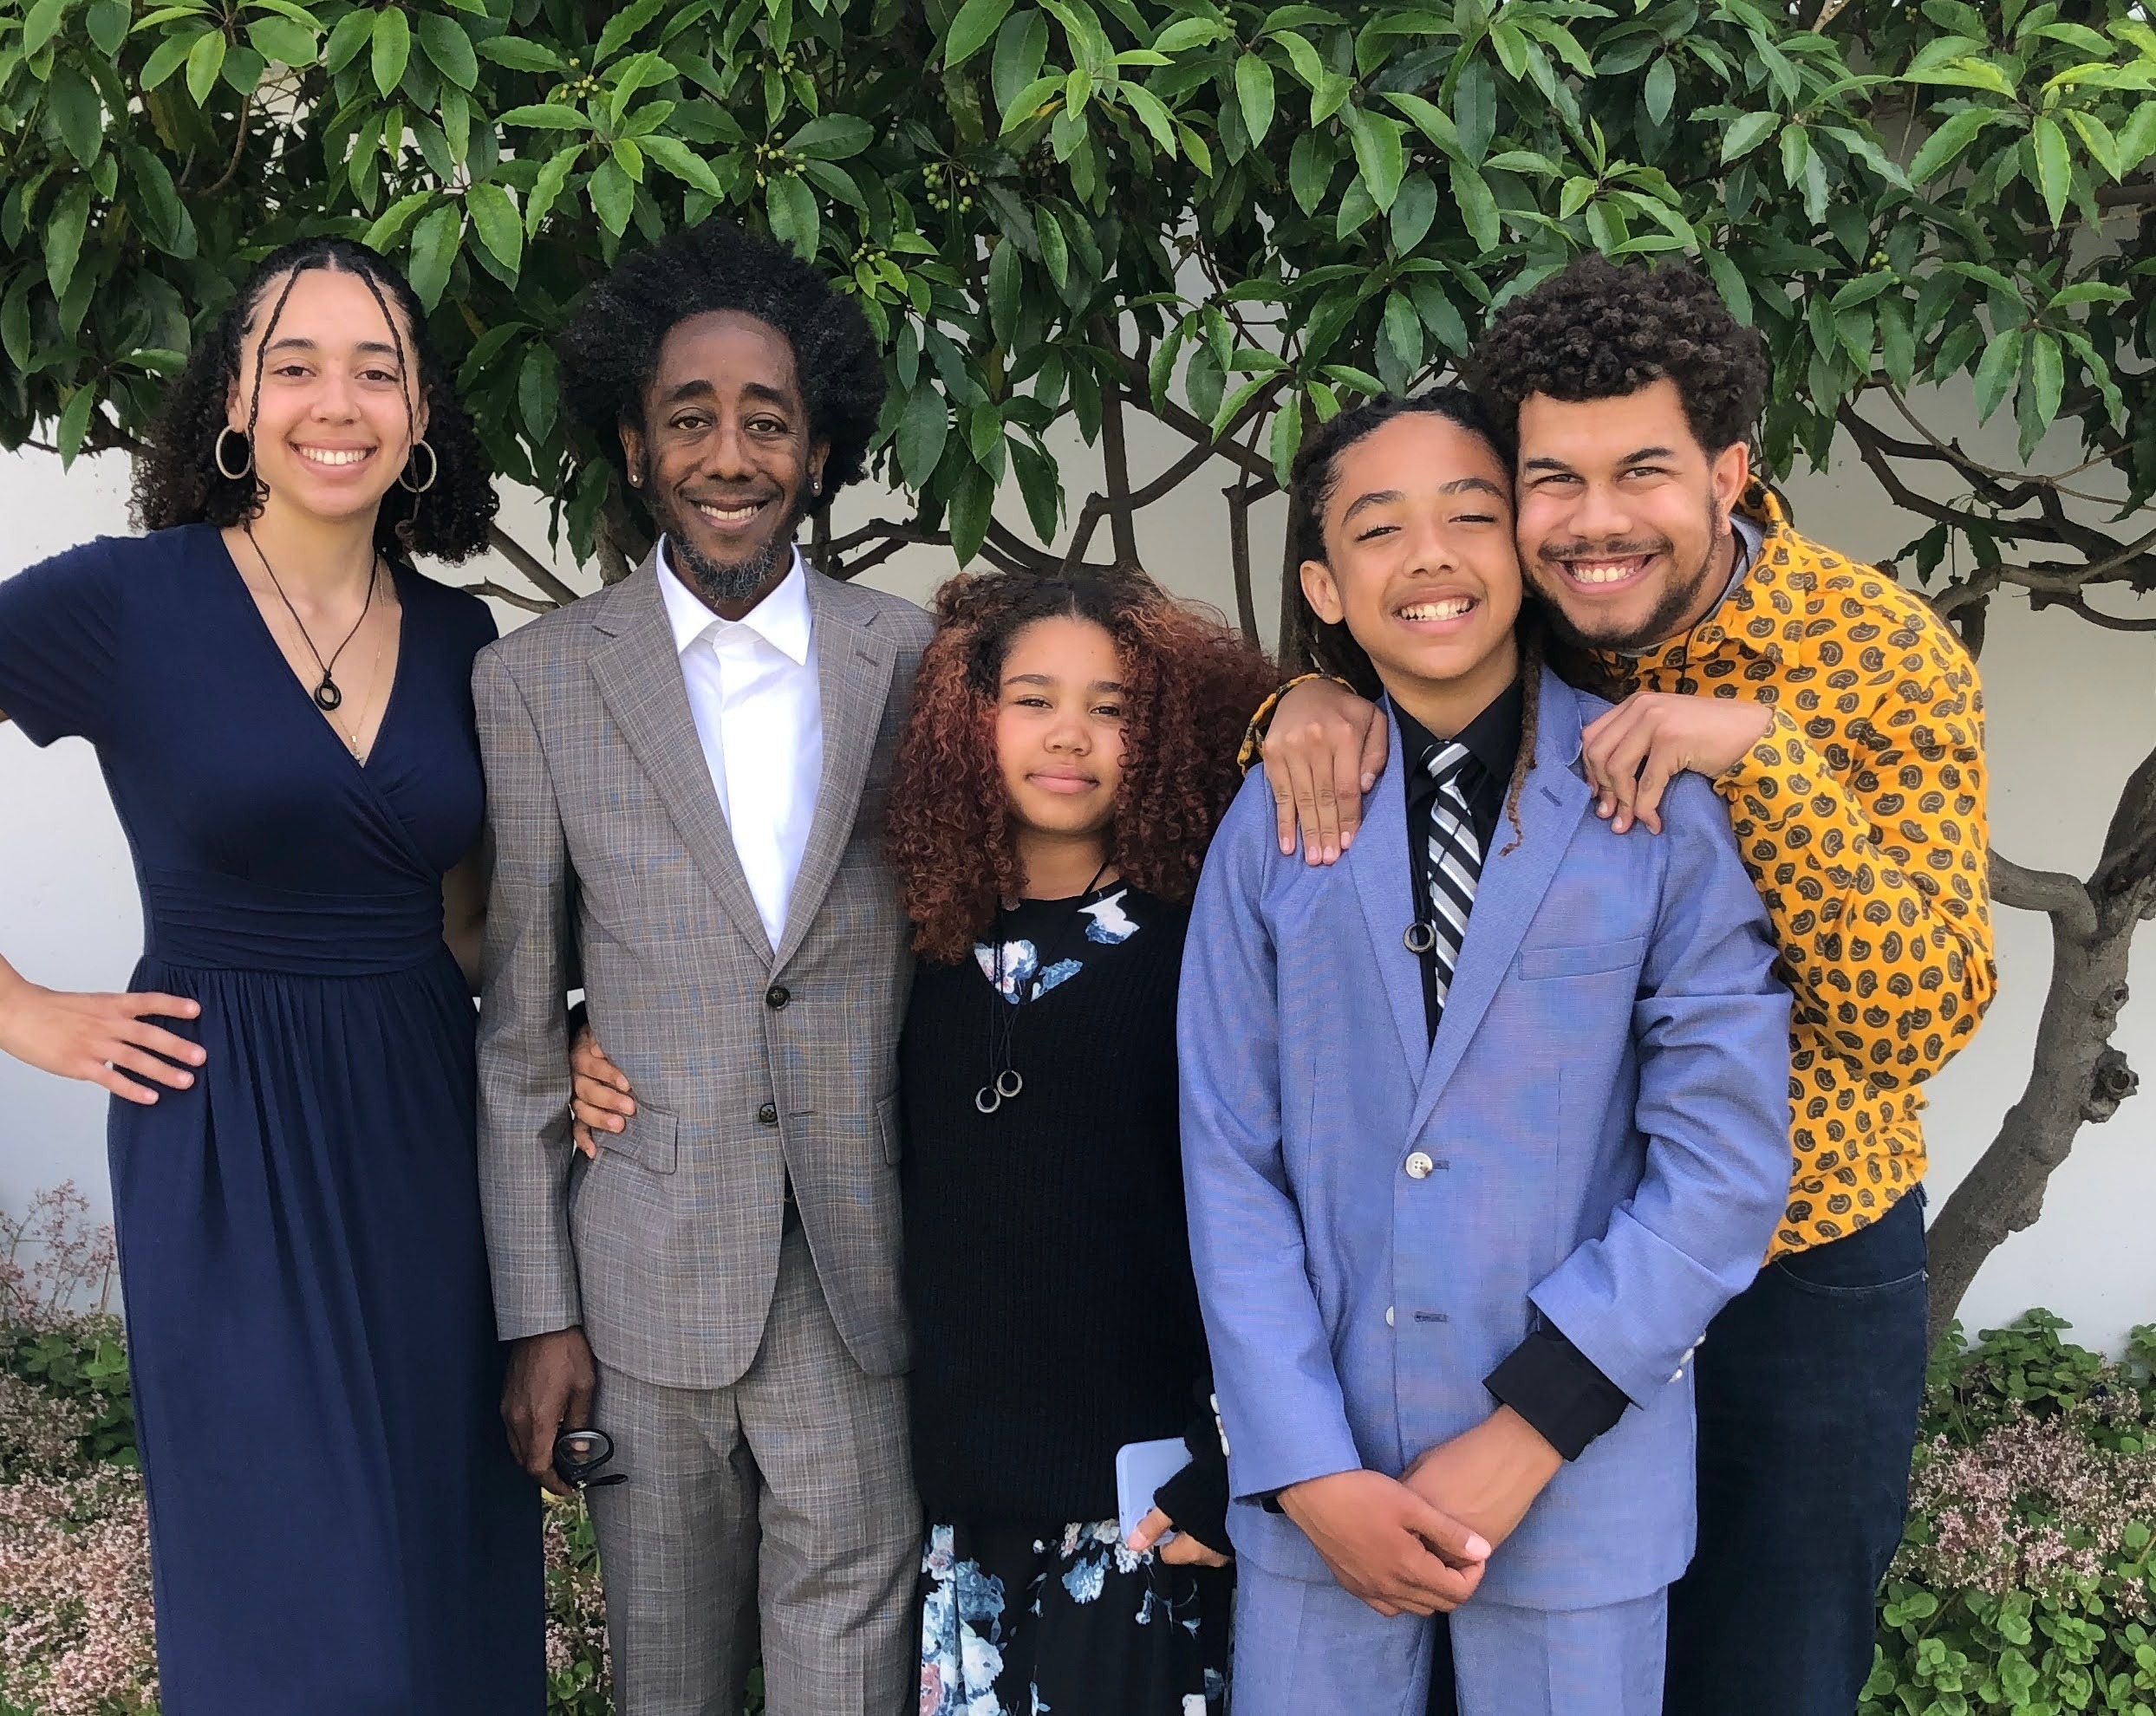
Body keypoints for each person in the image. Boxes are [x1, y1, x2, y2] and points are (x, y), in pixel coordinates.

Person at [1260, 257, 1996, 1715]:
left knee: (1769, 1675)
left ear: (1730, 471)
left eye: (1642, 472)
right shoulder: (1524, 615)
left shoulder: (1880, 656)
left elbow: (1918, 1018)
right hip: (1535, 1276)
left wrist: (1765, 760)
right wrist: (1304, 691)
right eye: (1553, 480)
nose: (1594, 523)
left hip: (1796, 1266)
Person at [1180, 388, 1793, 1716]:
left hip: (1582, 1477)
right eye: (1378, 528)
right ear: (1324, 587)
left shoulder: (1656, 808)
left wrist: (1536, 1426)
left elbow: (1723, 1166)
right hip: (1328, 1486)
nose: (1432, 556)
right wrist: (1305, 1466)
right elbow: (1229, 1161)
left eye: (1472, 515)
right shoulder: (1270, 825)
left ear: (1524, 546)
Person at [0, 237, 540, 1713]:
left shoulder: (459, 635)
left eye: (377, 369)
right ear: (234, 400)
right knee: (293, 1588)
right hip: (224, 1131)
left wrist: (575, 1038)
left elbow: (473, 927)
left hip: (426, 1136)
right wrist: (22, 1010)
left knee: (440, 1561)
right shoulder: (126, 600)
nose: (336, 402)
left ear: (420, 415)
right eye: (294, 365)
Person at [575, 570, 1271, 1713]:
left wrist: (1231, 1463)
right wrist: (588, 1037)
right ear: (966, 723)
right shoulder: (917, 938)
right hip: (957, 1512)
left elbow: (1266, 1213)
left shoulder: (1202, 946)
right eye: (1033, 700)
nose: (1069, 735)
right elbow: (759, 1014)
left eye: (1112, 708)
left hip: (1146, 1504)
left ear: (1164, 733)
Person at [472, 217, 932, 1716]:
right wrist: (539, 1315)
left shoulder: (914, 661)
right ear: (635, 443)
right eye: (690, 419)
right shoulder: (537, 681)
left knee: (850, 1676)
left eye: (766, 421)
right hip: (644, 1287)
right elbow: (521, 1028)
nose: (728, 456)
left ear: (818, 448)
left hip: (860, 1280)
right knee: (664, 1682)